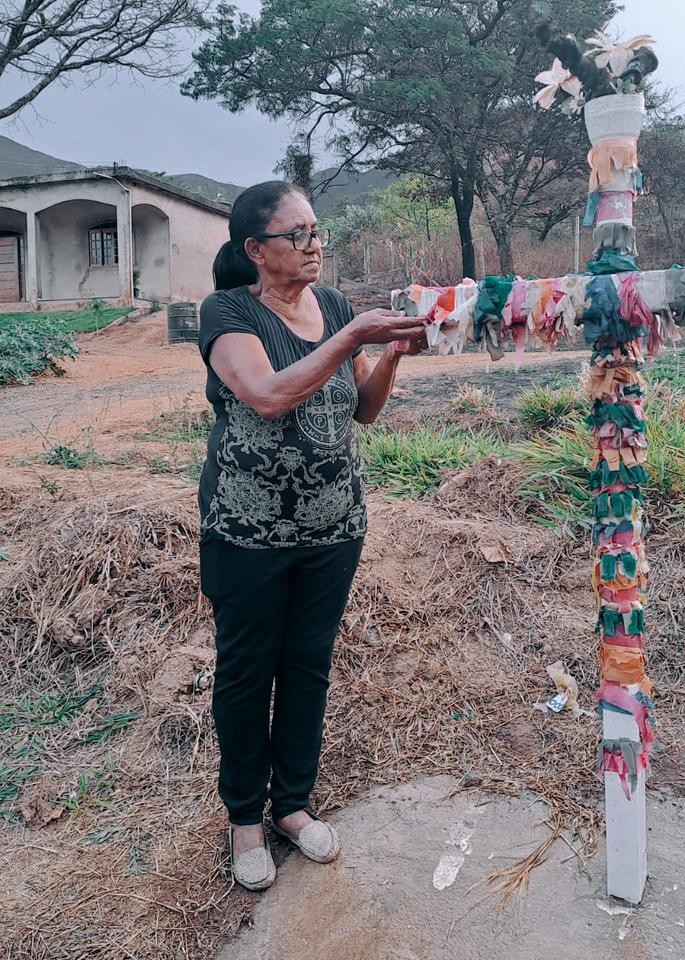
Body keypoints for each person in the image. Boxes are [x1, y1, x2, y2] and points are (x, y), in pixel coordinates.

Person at [197, 181, 428, 891]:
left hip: (333, 526)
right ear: (255, 249)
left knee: (307, 666)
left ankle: (292, 806)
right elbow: (267, 395)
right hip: (248, 531)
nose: (313, 243)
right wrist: (354, 336)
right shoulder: (228, 313)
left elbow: (362, 411)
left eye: (316, 230)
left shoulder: (331, 306)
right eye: (295, 234)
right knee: (246, 672)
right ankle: (244, 819)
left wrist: (389, 355)